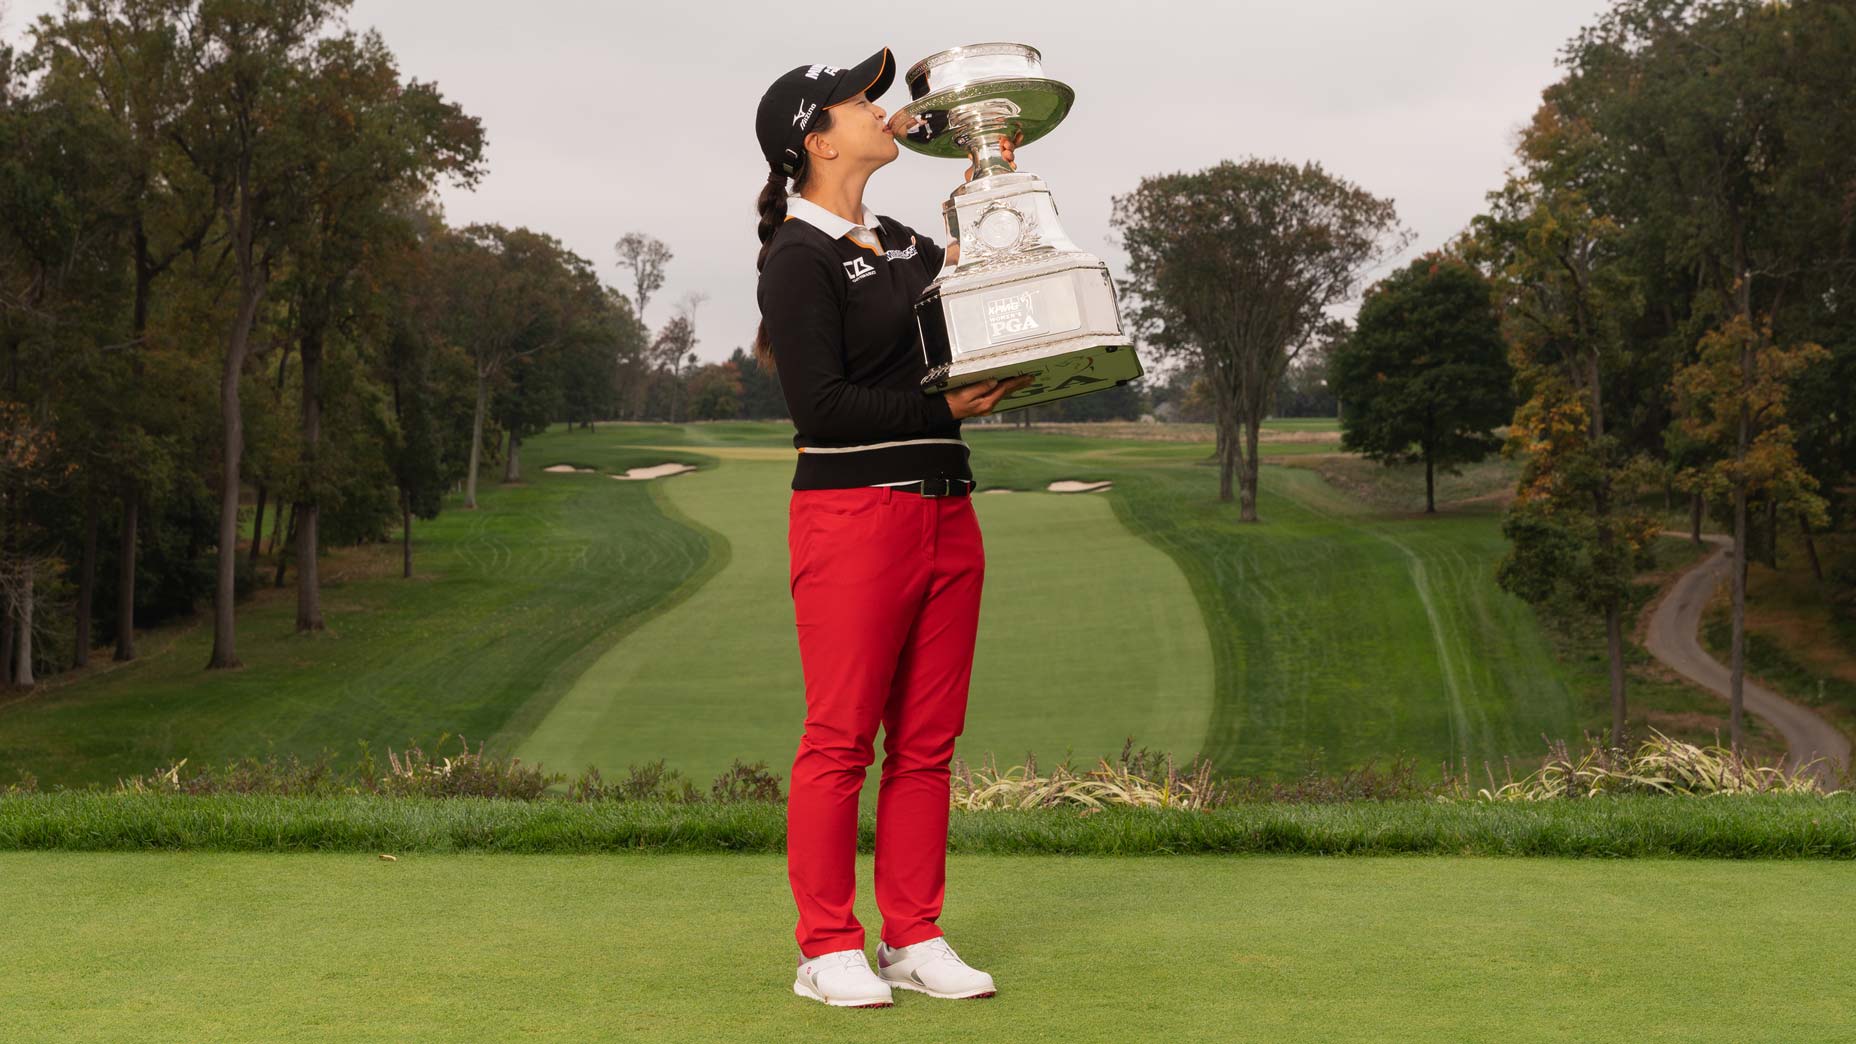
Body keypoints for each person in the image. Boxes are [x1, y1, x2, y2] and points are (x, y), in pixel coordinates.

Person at [752, 46, 1033, 1009]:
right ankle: (828, 945)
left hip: (948, 511)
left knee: (926, 745)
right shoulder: (797, 256)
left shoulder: (908, 241)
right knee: (840, 742)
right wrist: (946, 412)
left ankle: (913, 936)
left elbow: (965, 327)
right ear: (817, 139)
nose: (883, 108)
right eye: (861, 100)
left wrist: (993, 200)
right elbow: (822, 410)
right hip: (853, 516)